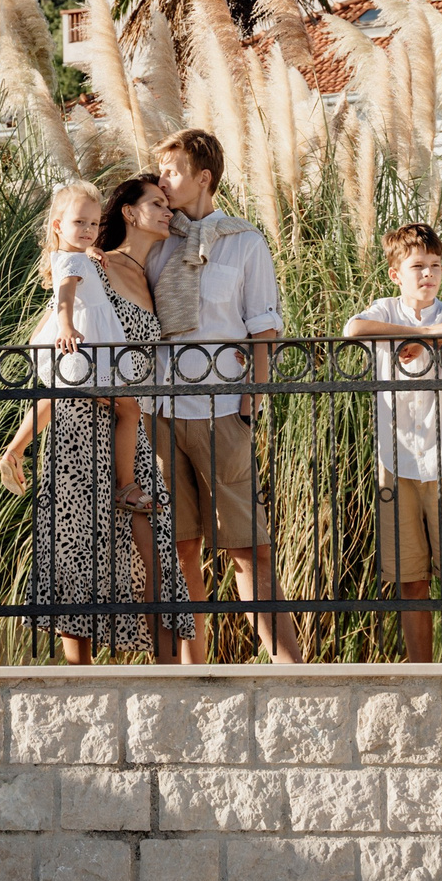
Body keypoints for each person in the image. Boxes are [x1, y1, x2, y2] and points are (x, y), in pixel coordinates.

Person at [0, 180, 190, 663]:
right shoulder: (87, 267)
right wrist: (19, 443)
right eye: (157, 204)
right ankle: (78, 675)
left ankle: (168, 669)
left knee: (151, 551)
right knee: (74, 548)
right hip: (77, 428)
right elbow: (57, 370)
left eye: (91, 222)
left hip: (121, 422)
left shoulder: (120, 266)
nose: (87, 229)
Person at [147, 128, 303, 664]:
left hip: (222, 413)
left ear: (203, 178)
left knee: (248, 549)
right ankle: (192, 673)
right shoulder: (154, 242)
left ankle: (289, 670)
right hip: (163, 415)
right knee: (180, 547)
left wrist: (247, 404)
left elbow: (264, 326)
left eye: (172, 172)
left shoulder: (245, 242)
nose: (163, 182)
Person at [343, 222, 442, 663]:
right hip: (396, 461)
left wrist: (426, 338)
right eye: (417, 267)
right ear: (396, 274)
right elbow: (353, 329)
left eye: (435, 265)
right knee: (411, 580)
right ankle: (421, 674)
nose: (428, 274)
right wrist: (405, 336)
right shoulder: (385, 311)